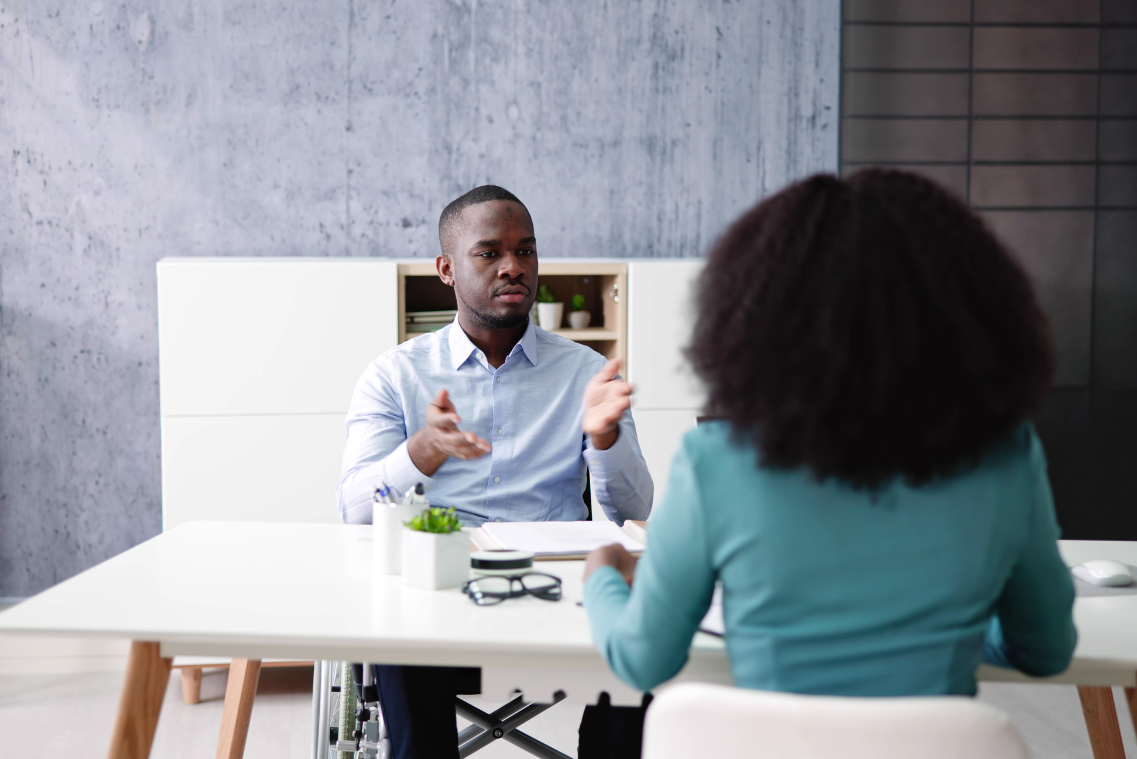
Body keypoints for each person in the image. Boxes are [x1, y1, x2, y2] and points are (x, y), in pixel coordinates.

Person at [583, 169, 1077, 704]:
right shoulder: (1006, 455)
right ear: (968, 309)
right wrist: (938, 635)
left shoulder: (717, 462)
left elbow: (643, 658)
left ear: (765, 318)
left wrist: (601, 574)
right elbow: (1044, 650)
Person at [337, 184, 654, 758]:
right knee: (399, 628)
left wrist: (605, 439)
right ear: (446, 269)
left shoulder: (586, 373)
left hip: (559, 604)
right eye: (489, 253)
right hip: (435, 603)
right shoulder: (395, 375)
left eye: (526, 251)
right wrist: (422, 452)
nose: (514, 267)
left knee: (642, 627)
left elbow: (634, 516)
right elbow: (354, 512)